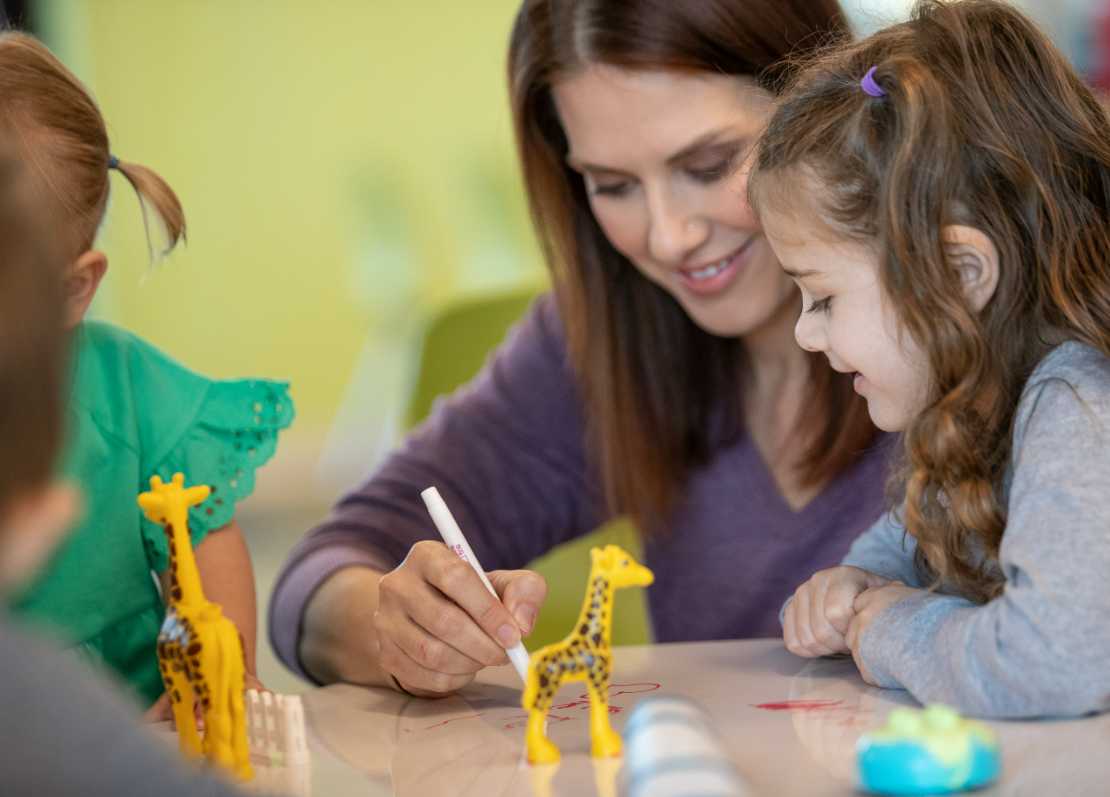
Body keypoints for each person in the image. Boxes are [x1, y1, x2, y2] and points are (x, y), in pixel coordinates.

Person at [270, 0, 891, 697]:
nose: (668, 237)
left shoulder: (992, 337)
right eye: (613, 185)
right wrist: (392, 626)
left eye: (710, 164)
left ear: (828, 111)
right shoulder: (598, 344)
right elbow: (317, 575)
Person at [762, 0, 1110, 717]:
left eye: (822, 298)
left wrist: (889, 627)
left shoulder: (1076, 407)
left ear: (960, 274)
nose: (805, 333)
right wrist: (856, 582)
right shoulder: (989, 410)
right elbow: (920, 541)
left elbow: (1048, 663)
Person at [0, 32, 294, 713]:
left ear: (71, 292)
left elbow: (205, 534)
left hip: (134, 724)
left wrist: (216, 678)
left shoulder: (126, 390)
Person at [0, 148, 253, 797]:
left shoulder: (131, 389)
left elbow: (211, 582)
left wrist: (209, 691)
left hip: (148, 734)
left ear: (72, 287)